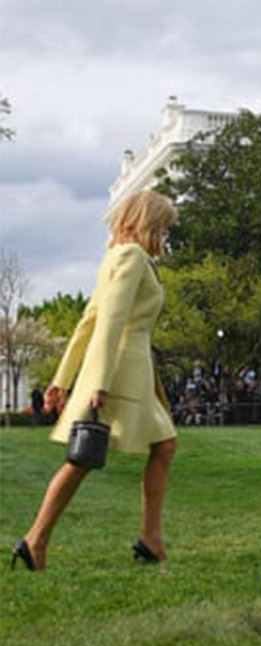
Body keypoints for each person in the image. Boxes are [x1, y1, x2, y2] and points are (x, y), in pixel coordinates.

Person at [12, 190, 180, 572]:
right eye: (165, 226)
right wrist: (97, 384)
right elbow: (108, 321)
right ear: (150, 222)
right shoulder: (131, 256)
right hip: (120, 373)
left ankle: (151, 539)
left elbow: (88, 321)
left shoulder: (118, 256)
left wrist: (62, 379)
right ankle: (35, 540)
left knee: (164, 445)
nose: (167, 234)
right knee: (84, 457)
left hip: (130, 373)